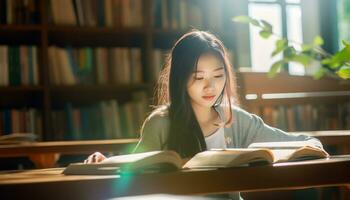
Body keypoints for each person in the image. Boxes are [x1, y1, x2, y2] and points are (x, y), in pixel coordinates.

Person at [84, 30, 324, 199]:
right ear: (180, 78)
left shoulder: (236, 120)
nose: (210, 87)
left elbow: (304, 143)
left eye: (218, 76)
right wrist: (104, 164)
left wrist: (311, 146)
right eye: (199, 78)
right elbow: (132, 171)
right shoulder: (160, 123)